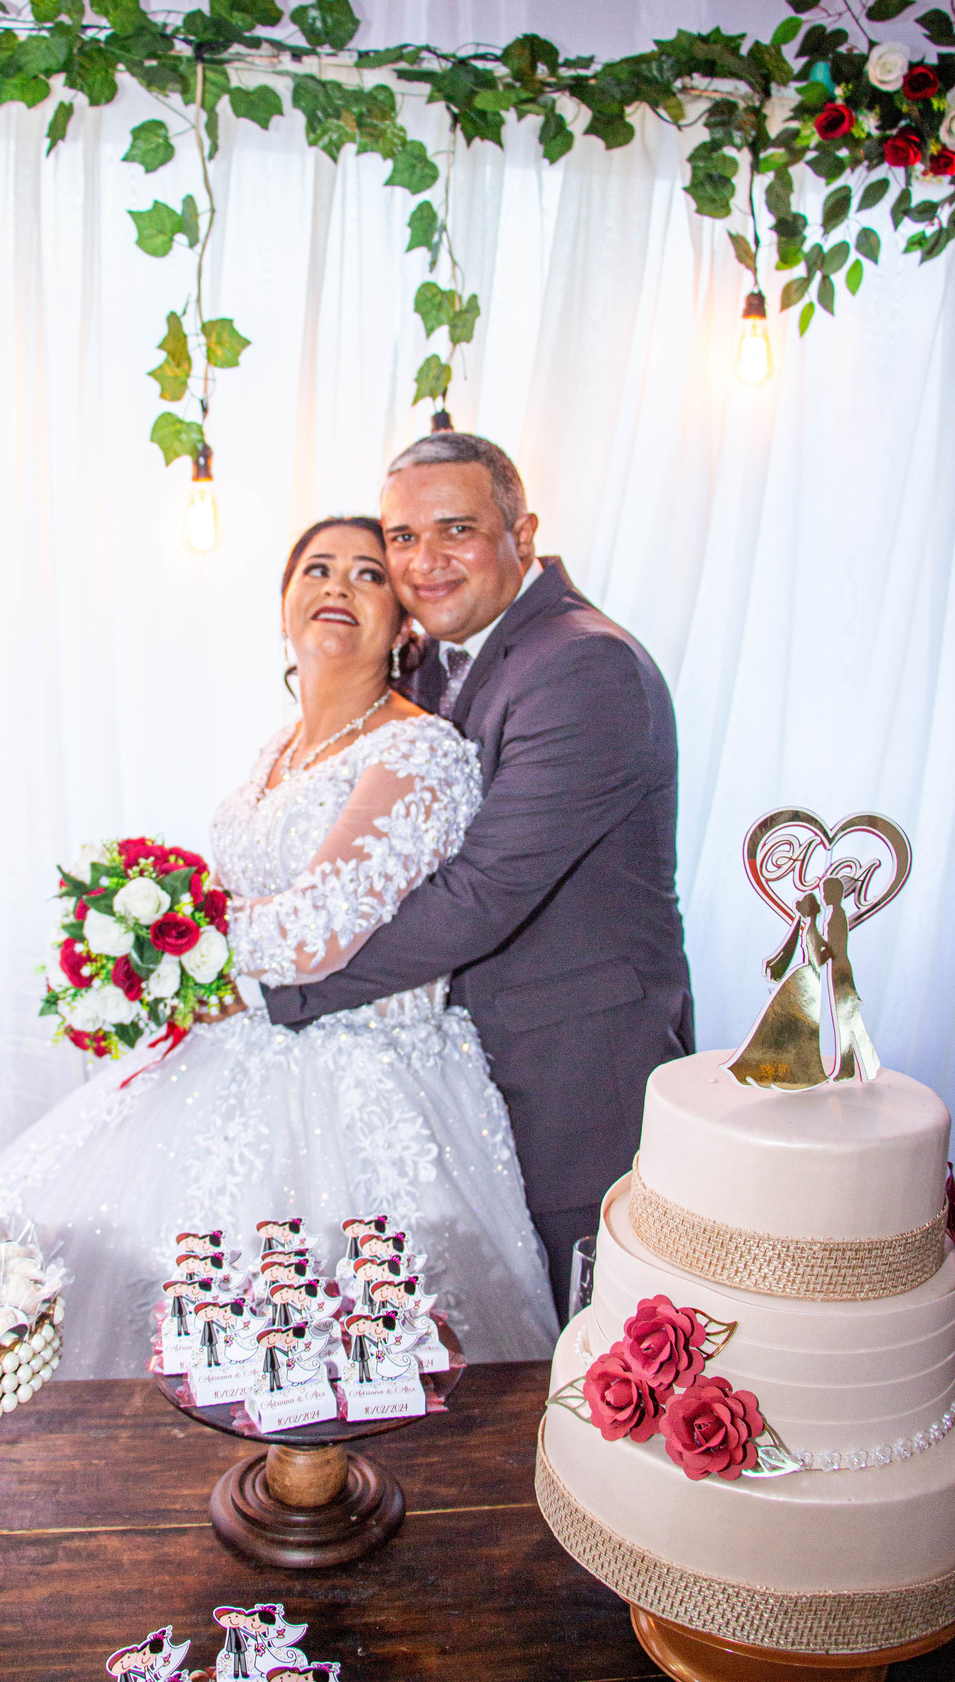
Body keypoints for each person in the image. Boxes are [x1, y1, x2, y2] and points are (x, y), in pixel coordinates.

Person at [0, 514, 558, 1376]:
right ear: (283, 609)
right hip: (237, 1043)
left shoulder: (418, 749)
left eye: (368, 574)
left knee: (342, 1341)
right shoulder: (278, 748)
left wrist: (167, 943)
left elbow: (319, 929)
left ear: (404, 625)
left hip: (359, 1076)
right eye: (317, 568)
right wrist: (161, 934)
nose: (338, 585)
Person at [262, 434, 694, 1321]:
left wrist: (278, 988)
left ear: (522, 535)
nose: (424, 561)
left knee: (584, 1344)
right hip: (455, 1083)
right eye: (403, 538)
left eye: (455, 529)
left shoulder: (584, 665)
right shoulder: (433, 663)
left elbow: (483, 893)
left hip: (574, 1081)